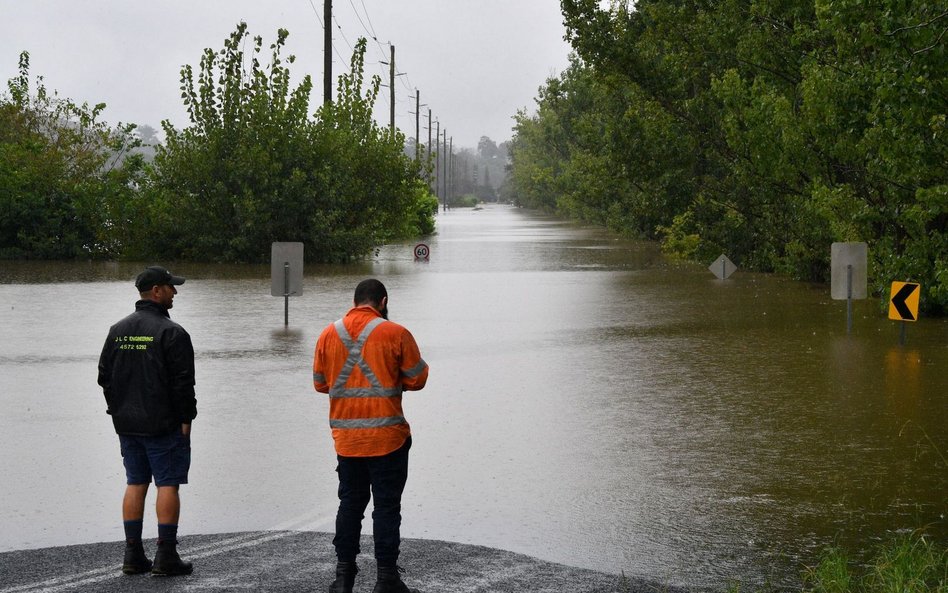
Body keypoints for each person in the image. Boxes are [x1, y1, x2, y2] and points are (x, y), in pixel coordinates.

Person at [313, 279, 429, 593]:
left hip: (347, 441)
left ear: (355, 301)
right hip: (388, 439)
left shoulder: (327, 334)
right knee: (386, 508)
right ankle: (386, 580)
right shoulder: (395, 333)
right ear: (383, 301)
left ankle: (343, 577)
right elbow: (418, 378)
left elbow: (320, 383)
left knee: (349, 506)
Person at [97, 265, 197, 577]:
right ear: (156, 291)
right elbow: (183, 383)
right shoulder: (173, 332)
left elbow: (104, 378)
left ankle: (132, 554)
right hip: (163, 424)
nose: (175, 292)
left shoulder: (117, 330)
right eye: (171, 287)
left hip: (127, 424)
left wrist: (118, 411)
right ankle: (166, 555)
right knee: (168, 483)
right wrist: (186, 419)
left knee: (135, 482)